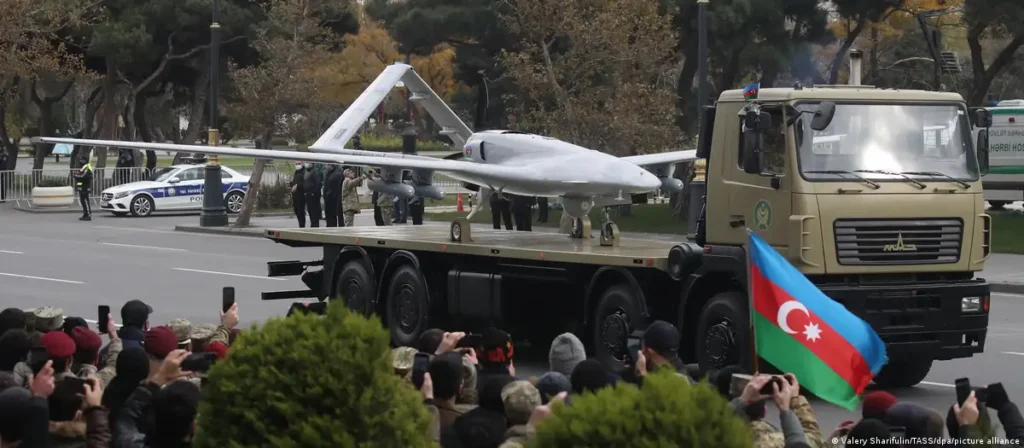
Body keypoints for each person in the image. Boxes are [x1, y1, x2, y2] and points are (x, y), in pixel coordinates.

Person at [74, 155, 94, 221]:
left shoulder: (87, 167)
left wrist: (76, 176)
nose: (80, 161)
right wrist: (77, 175)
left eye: (81, 160)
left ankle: (88, 215)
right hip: (82, 186)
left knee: (85, 200)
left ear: (84, 160)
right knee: (83, 201)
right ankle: (85, 214)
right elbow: (79, 174)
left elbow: (83, 176)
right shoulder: (83, 167)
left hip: (85, 187)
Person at [303, 163, 322, 228]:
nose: (306, 164)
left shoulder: (315, 172)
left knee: (314, 214)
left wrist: (314, 193)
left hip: (313, 196)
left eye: (308, 162)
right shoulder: (307, 172)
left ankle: (315, 226)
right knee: (310, 212)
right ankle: (313, 225)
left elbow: (318, 183)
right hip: (308, 195)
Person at [289, 162, 306, 228]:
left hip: (301, 195)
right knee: (296, 210)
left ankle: (302, 226)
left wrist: (297, 186)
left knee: (300, 211)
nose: (297, 165)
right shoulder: (296, 172)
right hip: (295, 195)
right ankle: (300, 224)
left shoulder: (304, 172)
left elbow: (304, 182)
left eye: (299, 163)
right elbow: (295, 181)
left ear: (302, 164)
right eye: (296, 164)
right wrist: (291, 184)